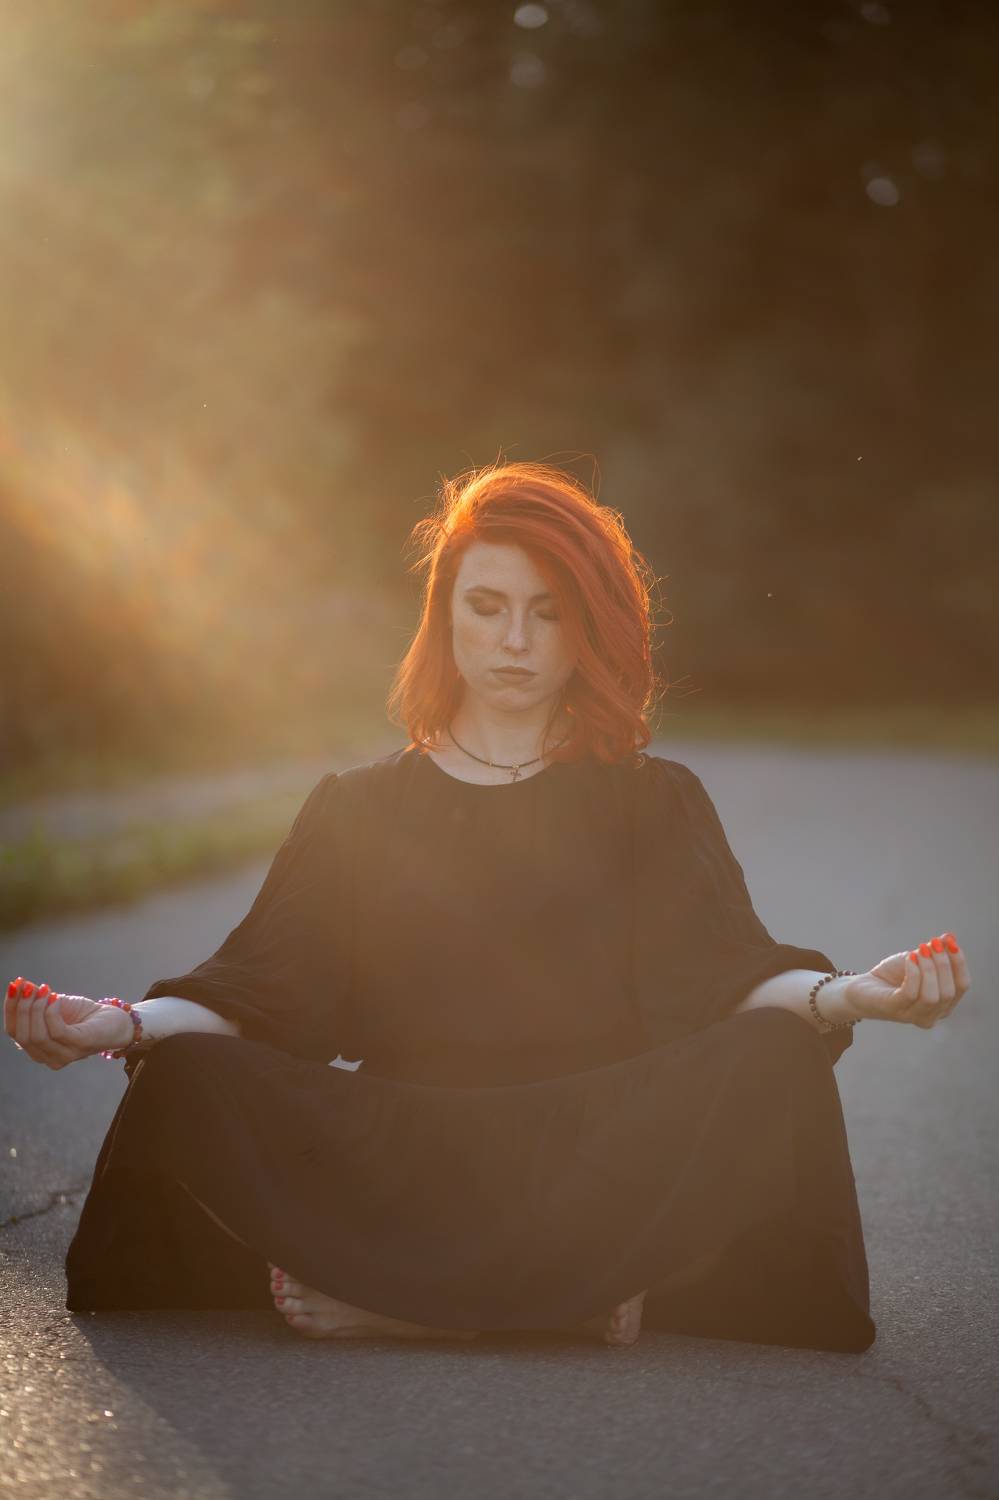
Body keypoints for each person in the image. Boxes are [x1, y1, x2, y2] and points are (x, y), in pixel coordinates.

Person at [5, 460, 970, 1351]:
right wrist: (120, 1025)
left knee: (778, 1055)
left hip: (596, 1155)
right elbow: (259, 992)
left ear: (587, 627)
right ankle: (561, 1303)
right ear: (444, 616)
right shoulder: (359, 806)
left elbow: (729, 981)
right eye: (487, 606)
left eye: (547, 613)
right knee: (184, 1075)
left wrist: (857, 996)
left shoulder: (652, 800)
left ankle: (403, 1303)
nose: (514, 641)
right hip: (399, 1152)